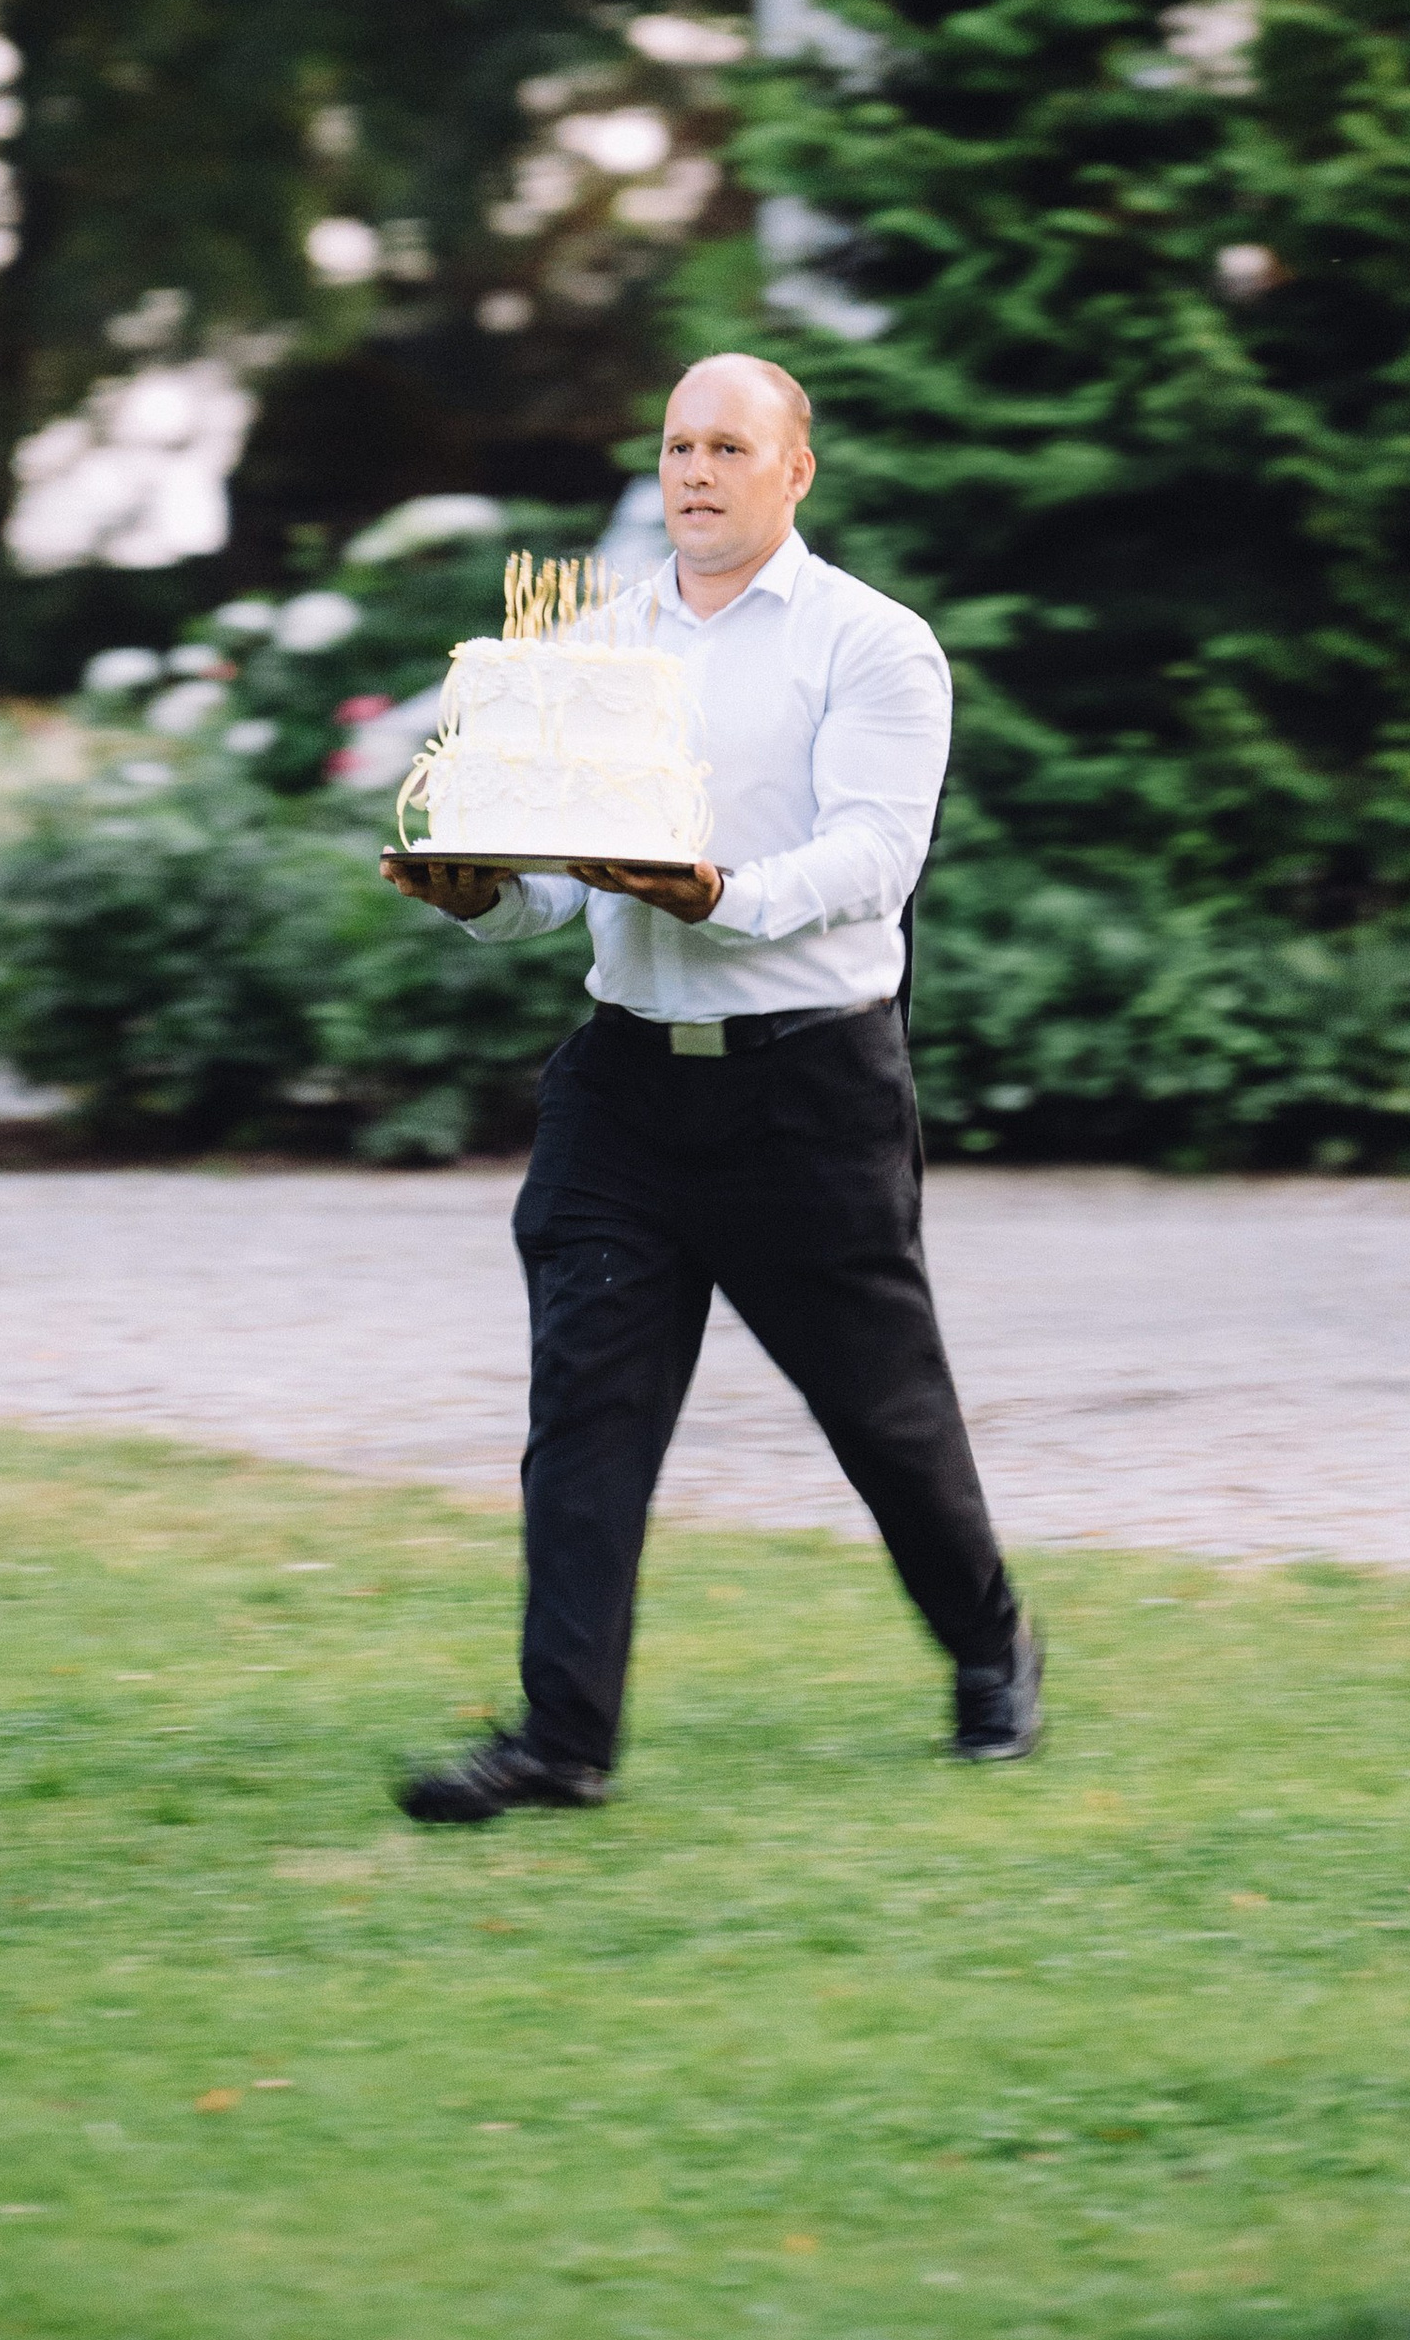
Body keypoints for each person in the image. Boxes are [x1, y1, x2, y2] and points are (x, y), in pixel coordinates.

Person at [383, 351, 1040, 1818]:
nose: (696, 471)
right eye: (680, 445)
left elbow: (876, 859)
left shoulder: (873, 647)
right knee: (586, 1420)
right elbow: (558, 896)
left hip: (808, 1096)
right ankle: (562, 1746)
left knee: (883, 1416)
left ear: (794, 472)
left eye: (729, 447)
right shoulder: (600, 652)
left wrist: (711, 894)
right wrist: (477, 896)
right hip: (623, 1092)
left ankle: (992, 1645)